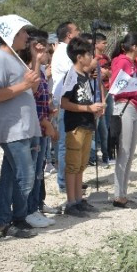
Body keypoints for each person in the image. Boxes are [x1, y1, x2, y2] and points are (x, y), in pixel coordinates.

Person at [0, 17, 45, 238]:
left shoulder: (16, 59)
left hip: (26, 127)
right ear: (11, 35)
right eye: (22, 33)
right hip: (12, 129)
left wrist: (37, 61)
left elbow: (35, 85)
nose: (27, 37)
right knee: (25, 175)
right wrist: (24, 85)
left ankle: (10, 220)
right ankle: (9, 219)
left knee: (11, 176)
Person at [59, 36, 103, 217]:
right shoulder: (71, 76)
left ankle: (78, 199)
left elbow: (88, 98)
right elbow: (63, 102)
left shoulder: (85, 75)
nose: (90, 57)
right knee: (73, 165)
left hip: (87, 124)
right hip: (75, 126)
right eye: (87, 54)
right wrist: (87, 108)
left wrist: (96, 109)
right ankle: (71, 202)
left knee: (81, 164)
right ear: (79, 57)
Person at [23, 29, 58, 223]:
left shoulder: (43, 72)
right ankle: (29, 209)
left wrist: (50, 109)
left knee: (39, 170)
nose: (48, 56)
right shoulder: (31, 70)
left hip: (44, 125)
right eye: (46, 52)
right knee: (33, 171)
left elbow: (43, 99)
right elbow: (33, 99)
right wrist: (45, 121)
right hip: (36, 126)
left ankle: (36, 206)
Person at [109, 32, 137, 209]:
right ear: (134, 47)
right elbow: (117, 87)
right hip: (125, 107)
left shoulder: (134, 64)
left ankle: (123, 193)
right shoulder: (122, 61)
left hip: (135, 107)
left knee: (130, 153)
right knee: (123, 153)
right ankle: (118, 195)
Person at [50, 21, 79, 195]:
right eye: (76, 30)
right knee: (63, 145)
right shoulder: (62, 52)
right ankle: (63, 182)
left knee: (71, 143)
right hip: (62, 102)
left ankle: (71, 179)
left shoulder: (67, 51)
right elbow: (74, 72)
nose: (79, 33)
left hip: (69, 101)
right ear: (69, 35)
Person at [92, 31, 113, 166]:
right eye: (103, 43)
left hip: (106, 92)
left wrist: (106, 73)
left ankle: (106, 155)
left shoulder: (105, 58)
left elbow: (111, 72)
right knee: (95, 129)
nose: (105, 45)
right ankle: (93, 157)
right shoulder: (90, 59)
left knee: (105, 126)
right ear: (96, 43)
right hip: (94, 97)